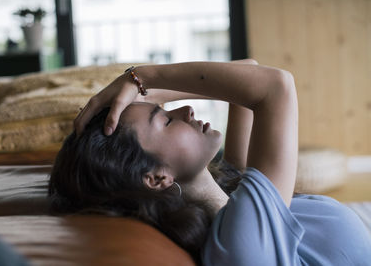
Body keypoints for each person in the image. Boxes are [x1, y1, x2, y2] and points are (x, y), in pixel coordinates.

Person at [49, 60, 371, 265]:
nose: (186, 111)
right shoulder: (241, 243)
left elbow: (247, 68)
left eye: (166, 109)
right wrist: (141, 76)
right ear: (157, 178)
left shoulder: (231, 194)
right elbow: (275, 87)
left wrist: (140, 93)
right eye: (166, 121)